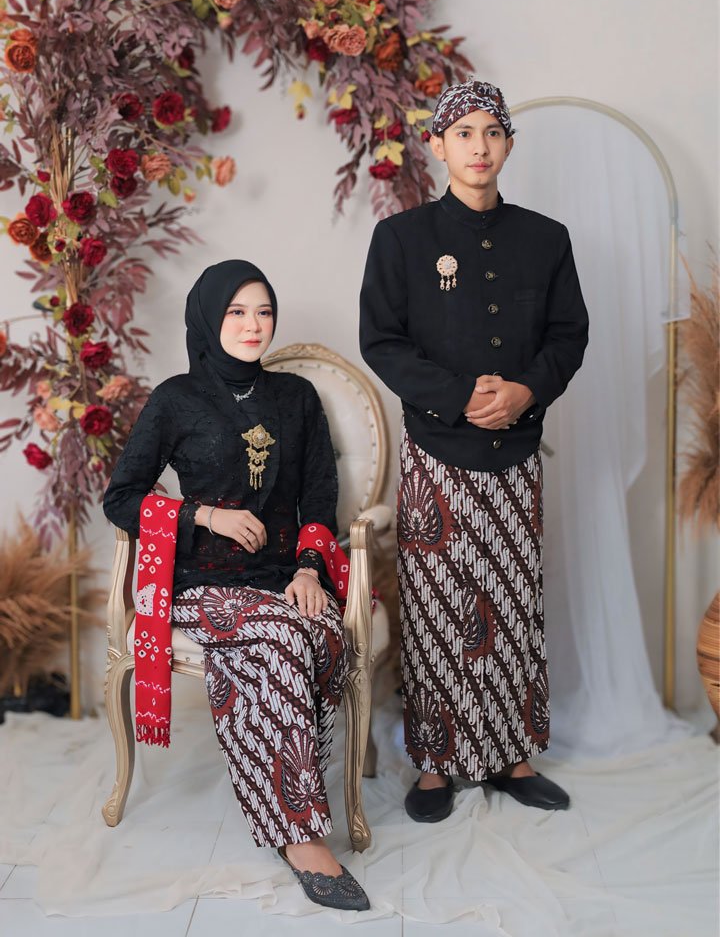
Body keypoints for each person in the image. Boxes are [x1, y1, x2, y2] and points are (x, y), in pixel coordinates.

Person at [103, 260, 370, 911]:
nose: (254, 326)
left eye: (264, 312)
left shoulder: (296, 398)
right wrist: (203, 515)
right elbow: (122, 497)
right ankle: (301, 835)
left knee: (318, 631)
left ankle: (288, 798)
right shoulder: (176, 399)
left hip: (282, 578)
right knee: (280, 637)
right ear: (207, 318)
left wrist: (309, 570)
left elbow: (319, 494)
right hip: (201, 584)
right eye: (237, 312)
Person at [359, 79, 589, 822]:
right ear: (437, 145)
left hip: (516, 453)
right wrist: (459, 395)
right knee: (437, 608)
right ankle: (435, 765)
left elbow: (568, 336)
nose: (479, 146)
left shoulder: (546, 238)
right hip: (437, 452)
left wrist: (525, 392)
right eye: (463, 133)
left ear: (509, 145)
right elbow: (382, 342)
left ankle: (514, 757)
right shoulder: (400, 239)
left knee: (515, 604)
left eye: (492, 132)